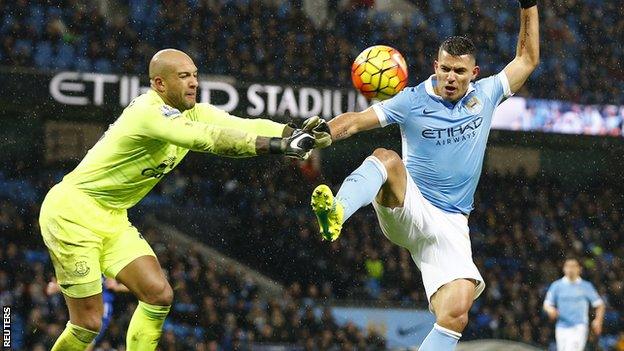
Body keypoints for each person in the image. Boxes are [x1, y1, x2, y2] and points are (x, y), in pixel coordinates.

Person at [39, 48, 323, 351]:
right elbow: (211, 140)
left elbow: (242, 124)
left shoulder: (192, 112)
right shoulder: (147, 112)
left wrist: (294, 133)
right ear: (160, 84)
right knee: (88, 323)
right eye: (184, 76)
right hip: (72, 213)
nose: (193, 83)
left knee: (158, 295)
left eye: (195, 76)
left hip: (111, 215)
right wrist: (281, 146)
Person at [309, 1, 540, 349]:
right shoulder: (411, 100)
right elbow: (356, 120)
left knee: (457, 310)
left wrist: (529, 6)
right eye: (445, 69)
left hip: (451, 223)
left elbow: (527, 59)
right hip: (410, 203)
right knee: (386, 159)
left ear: (473, 73)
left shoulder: (487, 94)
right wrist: (323, 131)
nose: (450, 77)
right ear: (435, 66)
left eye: (459, 72)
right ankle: (337, 212)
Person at [46, 277, 129, 351]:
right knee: (83, 337)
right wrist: (59, 287)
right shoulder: (88, 267)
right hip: (84, 306)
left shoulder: (108, 266)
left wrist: (117, 287)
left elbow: (135, 285)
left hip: (101, 309)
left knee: (89, 338)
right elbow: (79, 283)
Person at [543, 257, 605, 351]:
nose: (570, 269)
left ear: (579, 269)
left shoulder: (586, 286)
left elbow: (599, 304)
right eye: (568, 266)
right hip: (561, 326)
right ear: (564, 268)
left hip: (579, 326)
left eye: (573, 266)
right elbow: (547, 303)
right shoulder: (556, 286)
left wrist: (598, 320)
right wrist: (550, 309)